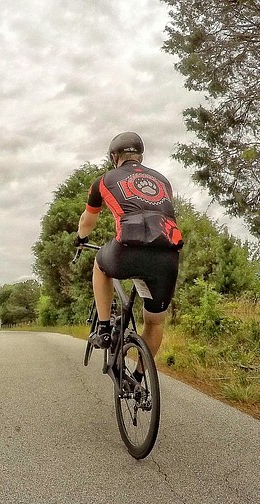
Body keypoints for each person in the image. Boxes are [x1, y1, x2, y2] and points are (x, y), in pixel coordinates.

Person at [75, 131, 183, 367]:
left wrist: (80, 239)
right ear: (140, 157)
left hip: (128, 249)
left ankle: (104, 329)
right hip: (167, 255)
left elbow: (87, 222)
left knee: (100, 265)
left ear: (114, 157)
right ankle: (139, 379)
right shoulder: (163, 181)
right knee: (154, 323)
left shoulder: (105, 180)